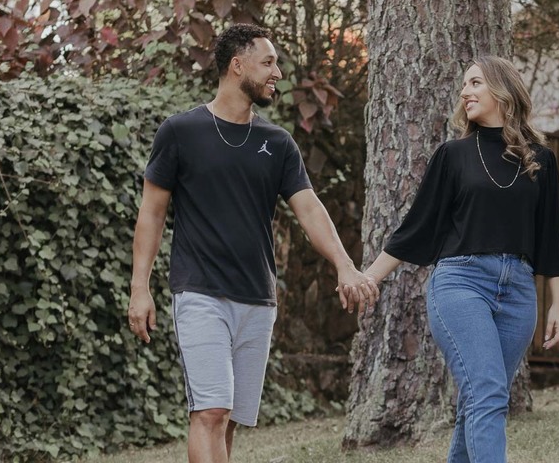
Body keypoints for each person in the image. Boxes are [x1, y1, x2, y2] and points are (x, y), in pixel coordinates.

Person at [127, 23, 378, 463]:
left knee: (230, 419)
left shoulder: (277, 143)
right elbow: (151, 211)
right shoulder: (180, 132)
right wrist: (139, 288)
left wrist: (344, 264)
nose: (277, 72)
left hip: (258, 298)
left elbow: (309, 208)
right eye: (268, 62)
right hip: (199, 291)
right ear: (237, 65)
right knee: (210, 411)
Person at [363, 55, 559, 463]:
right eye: (464, 85)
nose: (464, 92)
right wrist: (369, 277)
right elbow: (417, 227)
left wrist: (558, 302)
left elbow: (549, 236)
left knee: (479, 399)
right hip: (461, 284)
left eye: (475, 83)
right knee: (489, 392)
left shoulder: (541, 160)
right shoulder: (453, 155)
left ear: (502, 91)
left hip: (519, 292)